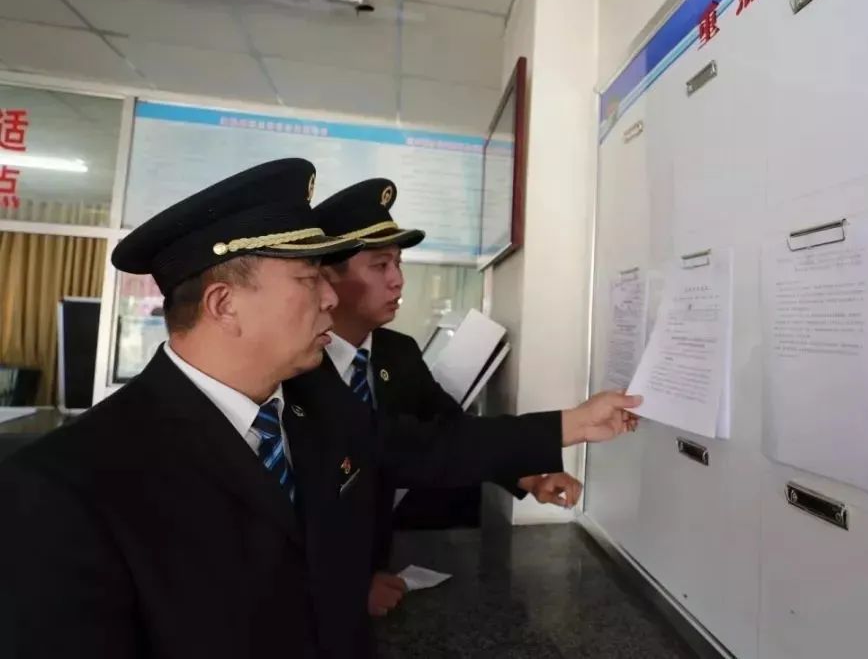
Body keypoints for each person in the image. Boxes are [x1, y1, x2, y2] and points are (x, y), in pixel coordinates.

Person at [0, 158, 639, 659]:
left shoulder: (313, 407)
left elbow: (426, 447)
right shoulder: (67, 485)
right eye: (309, 281)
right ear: (224, 305)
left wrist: (573, 424)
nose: (330, 299)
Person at [313, 178, 629, 618]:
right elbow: (394, 455)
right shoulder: (298, 370)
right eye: (380, 265)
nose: (398, 280)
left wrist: (528, 477)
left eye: (398, 263)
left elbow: (450, 432)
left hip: (378, 563)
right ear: (326, 278)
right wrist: (346, 588)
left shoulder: (397, 352)